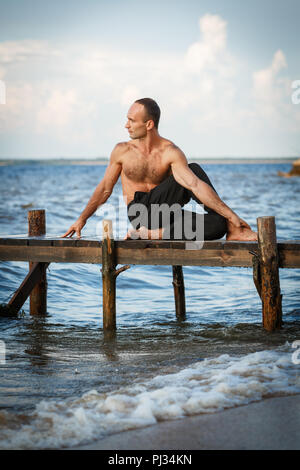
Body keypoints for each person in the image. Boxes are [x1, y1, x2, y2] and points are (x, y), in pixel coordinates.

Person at [62, 98, 257, 241]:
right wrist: (81, 219)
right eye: (127, 119)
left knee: (218, 225)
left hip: (166, 214)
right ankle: (144, 230)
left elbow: (194, 185)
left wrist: (230, 216)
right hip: (139, 213)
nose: (126, 125)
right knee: (194, 170)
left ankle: (150, 234)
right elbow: (105, 188)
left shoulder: (170, 152)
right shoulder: (122, 151)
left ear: (149, 124)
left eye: (131, 120)